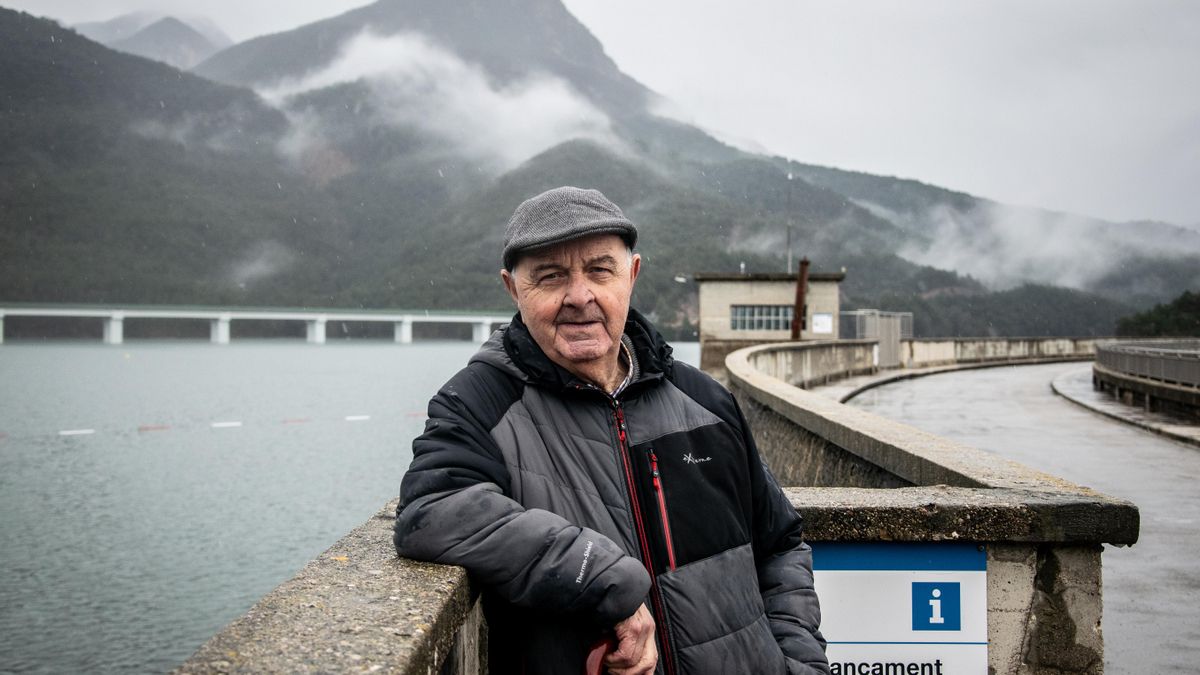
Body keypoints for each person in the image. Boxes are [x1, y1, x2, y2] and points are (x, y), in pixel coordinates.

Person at [394, 186, 829, 675]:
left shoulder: (705, 401)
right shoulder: (478, 404)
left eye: (599, 270)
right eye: (550, 276)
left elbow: (780, 545)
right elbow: (431, 511)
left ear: (632, 274)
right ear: (513, 289)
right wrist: (597, 573)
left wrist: (799, 662)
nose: (579, 297)